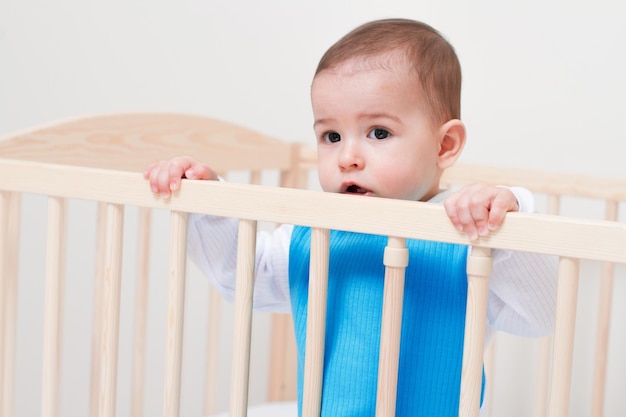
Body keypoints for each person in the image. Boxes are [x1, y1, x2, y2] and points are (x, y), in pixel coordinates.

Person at [145, 18, 557, 417]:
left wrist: (506, 215)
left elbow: (539, 316)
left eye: (378, 132)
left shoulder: (466, 236)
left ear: (445, 145)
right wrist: (207, 200)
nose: (347, 157)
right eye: (331, 136)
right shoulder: (315, 233)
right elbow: (243, 276)